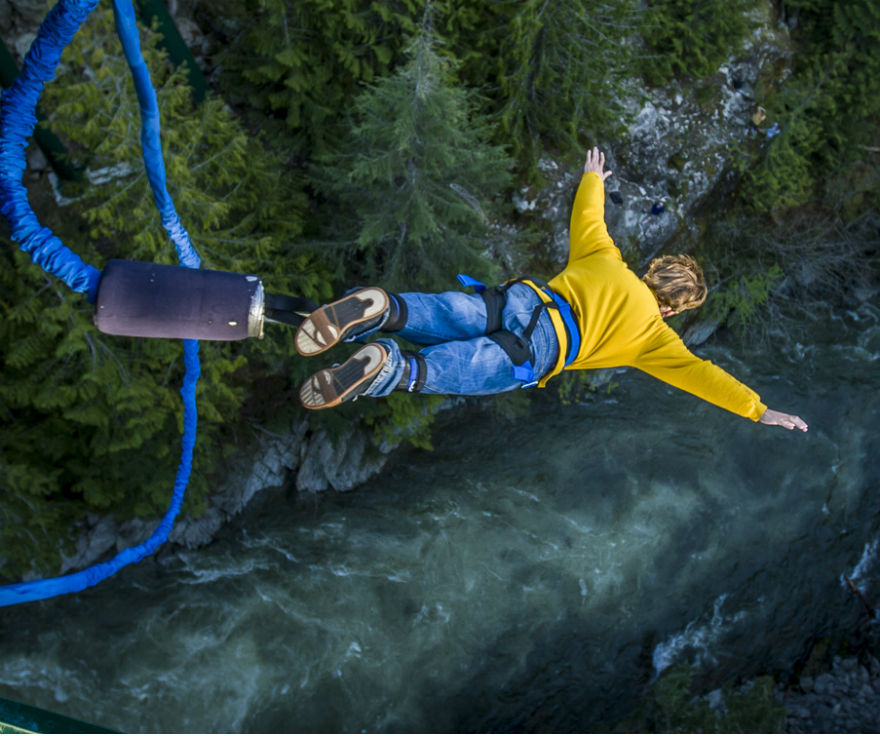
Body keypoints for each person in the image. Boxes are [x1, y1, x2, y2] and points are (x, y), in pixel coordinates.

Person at [294, 147, 808, 432]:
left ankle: (385, 309)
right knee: (449, 370)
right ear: (672, 309)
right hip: (541, 349)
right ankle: (389, 367)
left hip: (522, 300)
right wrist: (759, 409)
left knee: (451, 312)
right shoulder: (655, 338)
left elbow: (589, 215)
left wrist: (593, 177)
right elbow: (703, 377)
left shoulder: (605, 258)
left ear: (651, 270)